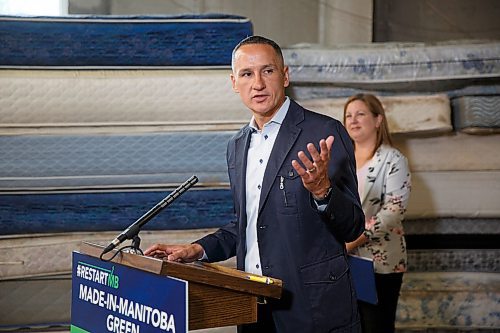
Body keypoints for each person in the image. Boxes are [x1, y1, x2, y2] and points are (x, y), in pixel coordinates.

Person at [145, 36, 365, 332]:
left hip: (312, 305)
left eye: (268, 71)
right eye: (247, 74)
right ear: (234, 82)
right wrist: (196, 250)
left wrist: (323, 191)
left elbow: (353, 227)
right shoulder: (236, 145)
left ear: (285, 75)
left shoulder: (323, 132)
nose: (258, 84)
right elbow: (246, 226)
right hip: (253, 304)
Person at [343, 94, 411, 333]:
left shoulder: (393, 159)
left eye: (360, 114)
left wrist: (354, 241)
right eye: (348, 115)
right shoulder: (340, 161)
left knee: (375, 327)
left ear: (378, 120)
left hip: (380, 263)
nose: (353, 120)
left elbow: (393, 210)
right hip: (344, 260)